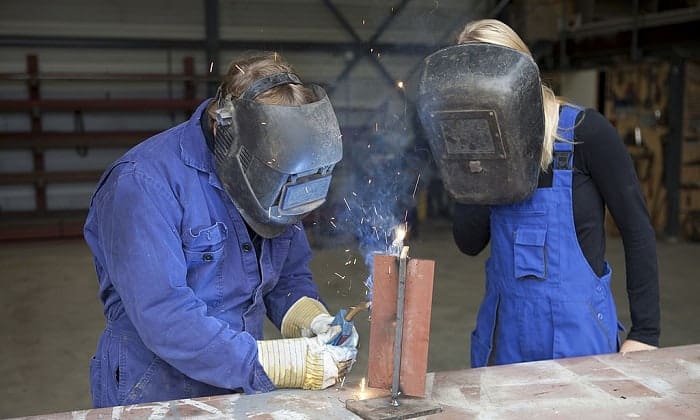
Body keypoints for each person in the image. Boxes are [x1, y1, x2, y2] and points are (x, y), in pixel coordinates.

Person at [83, 52, 358, 407]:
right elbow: (165, 314)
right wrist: (282, 364)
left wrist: (312, 321)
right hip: (156, 392)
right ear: (224, 131)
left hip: (239, 387)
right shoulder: (142, 183)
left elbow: (287, 277)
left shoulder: (275, 170)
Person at [424, 19, 660, 367]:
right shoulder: (476, 147)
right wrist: (476, 159)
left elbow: (637, 229)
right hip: (504, 340)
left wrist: (646, 333)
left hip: (578, 340)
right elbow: (468, 242)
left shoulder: (584, 133)